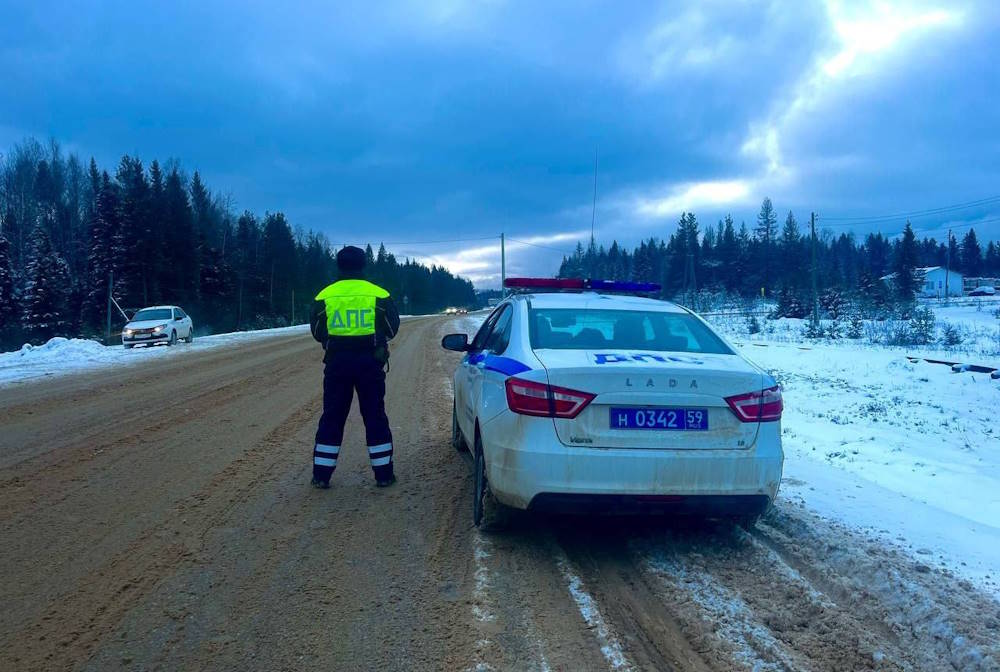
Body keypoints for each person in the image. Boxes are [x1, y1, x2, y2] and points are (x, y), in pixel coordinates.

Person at [309, 245, 400, 489]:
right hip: (371, 363)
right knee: (374, 416)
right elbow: (392, 329)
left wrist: (333, 341)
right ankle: (383, 476)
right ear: (363, 265)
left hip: (337, 363)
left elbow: (317, 332)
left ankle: (321, 476)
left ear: (339, 265)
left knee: (332, 417)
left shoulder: (324, 295)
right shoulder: (378, 294)